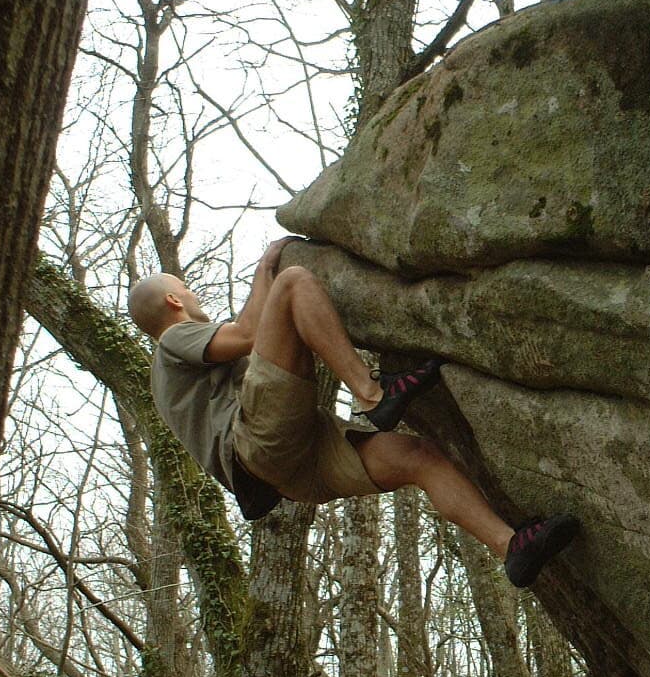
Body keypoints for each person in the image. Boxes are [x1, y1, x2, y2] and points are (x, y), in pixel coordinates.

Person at [128, 238, 578, 587]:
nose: (190, 294)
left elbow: (262, 337)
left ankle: (510, 547)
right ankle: (372, 393)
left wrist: (271, 284)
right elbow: (249, 332)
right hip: (258, 442)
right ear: (173, 301)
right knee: (295, 282)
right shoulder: (174, 339)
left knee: (419, 457)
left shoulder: (175, 376)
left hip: (291, 468)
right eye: (184, 288)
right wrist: (271, 270)